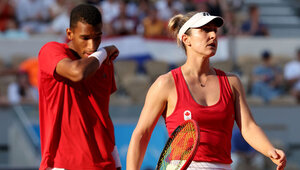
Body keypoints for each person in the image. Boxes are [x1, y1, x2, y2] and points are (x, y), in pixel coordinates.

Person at [126, 12, 286, 170]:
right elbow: (142, 134)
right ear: (186, 39)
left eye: (214, 30)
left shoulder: (232, 82)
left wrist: (270, 150)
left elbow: (248, 127)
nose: (213, 36)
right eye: (205, 30)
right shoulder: (166, 83)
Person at [38, 4, 121, 170]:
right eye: (85, 38)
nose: (92, 45)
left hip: (105, 164)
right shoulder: (50, 51)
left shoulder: (104, 64)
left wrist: (116, 159)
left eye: (98, 37)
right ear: (69, 33)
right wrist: (104, 51)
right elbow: (77, 72)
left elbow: (104, 114)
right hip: (63, 164)